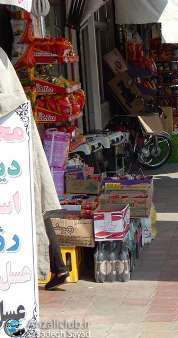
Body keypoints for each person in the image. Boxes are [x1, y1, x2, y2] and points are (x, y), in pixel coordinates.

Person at [0, 47, 69, 291]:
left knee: (30, 206)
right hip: (15, 141)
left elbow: (6, 101)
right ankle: (58, 266)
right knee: (34, 204)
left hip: (10, 144)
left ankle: (51, 266)